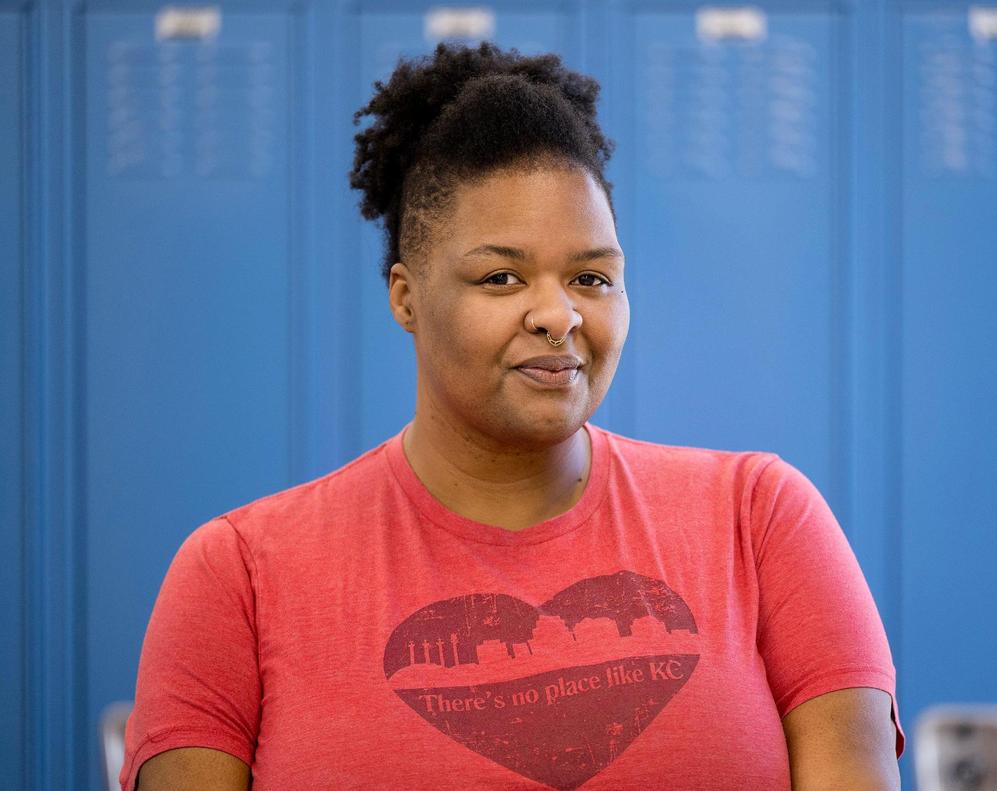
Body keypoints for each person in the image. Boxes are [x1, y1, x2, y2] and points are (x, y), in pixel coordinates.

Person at [120, 41, 904, 790]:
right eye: (501, 277)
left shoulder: (759, 521)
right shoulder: (238, 575)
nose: (557, 314)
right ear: (405, 297)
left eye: (592, 278)